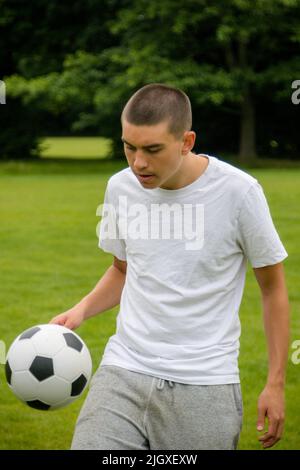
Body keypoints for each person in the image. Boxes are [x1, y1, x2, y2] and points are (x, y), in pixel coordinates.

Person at [50, 83, 290, 450]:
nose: (138, 163)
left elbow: (273, 289)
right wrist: (81, 310)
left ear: (187, 141)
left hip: (204, 384)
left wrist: (275, 383)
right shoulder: (120, 188)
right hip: (124, 369)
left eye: (152, 149)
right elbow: (123, 269)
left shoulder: (240, 193)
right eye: (129, 147)